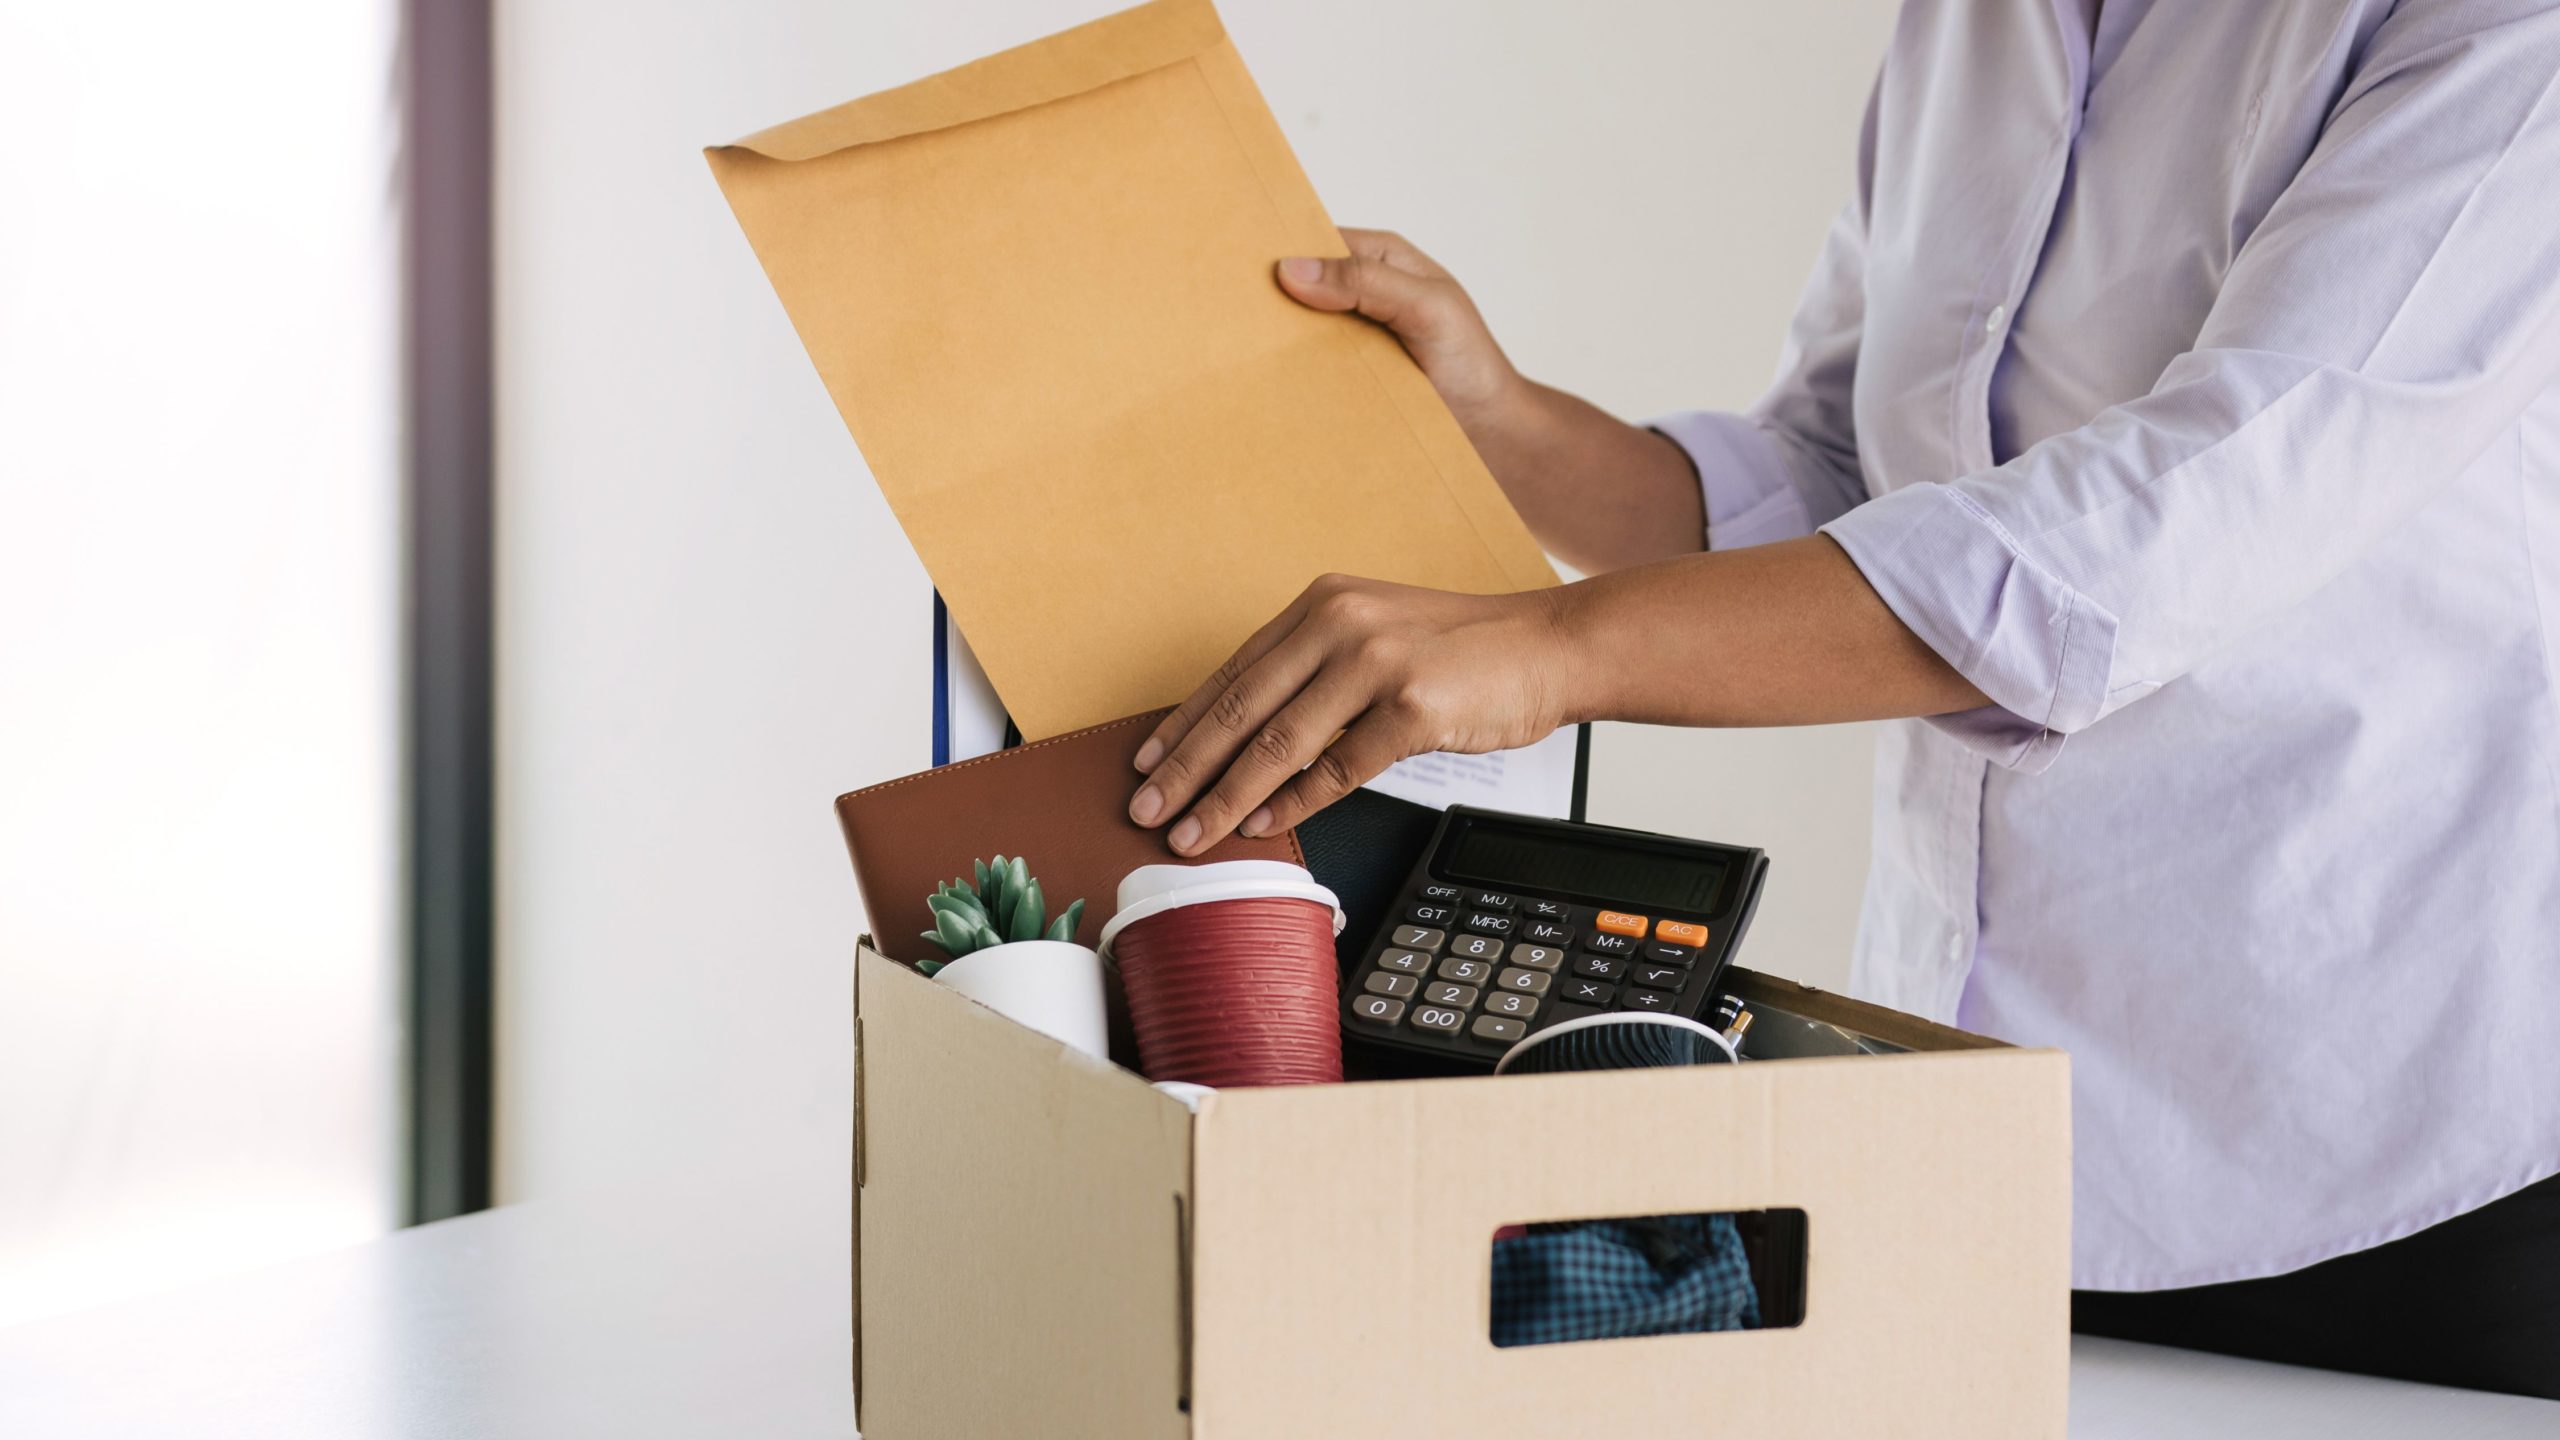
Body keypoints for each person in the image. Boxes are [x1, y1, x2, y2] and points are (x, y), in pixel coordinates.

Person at [1124, 0, 2560, 1399]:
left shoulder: (2497, 32)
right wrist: (1491, 414)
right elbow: (1838, 484)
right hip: (1966, 1103)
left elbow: (2160, 536)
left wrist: (1555, 651)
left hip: (2374, 1132)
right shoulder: (1969, 29)